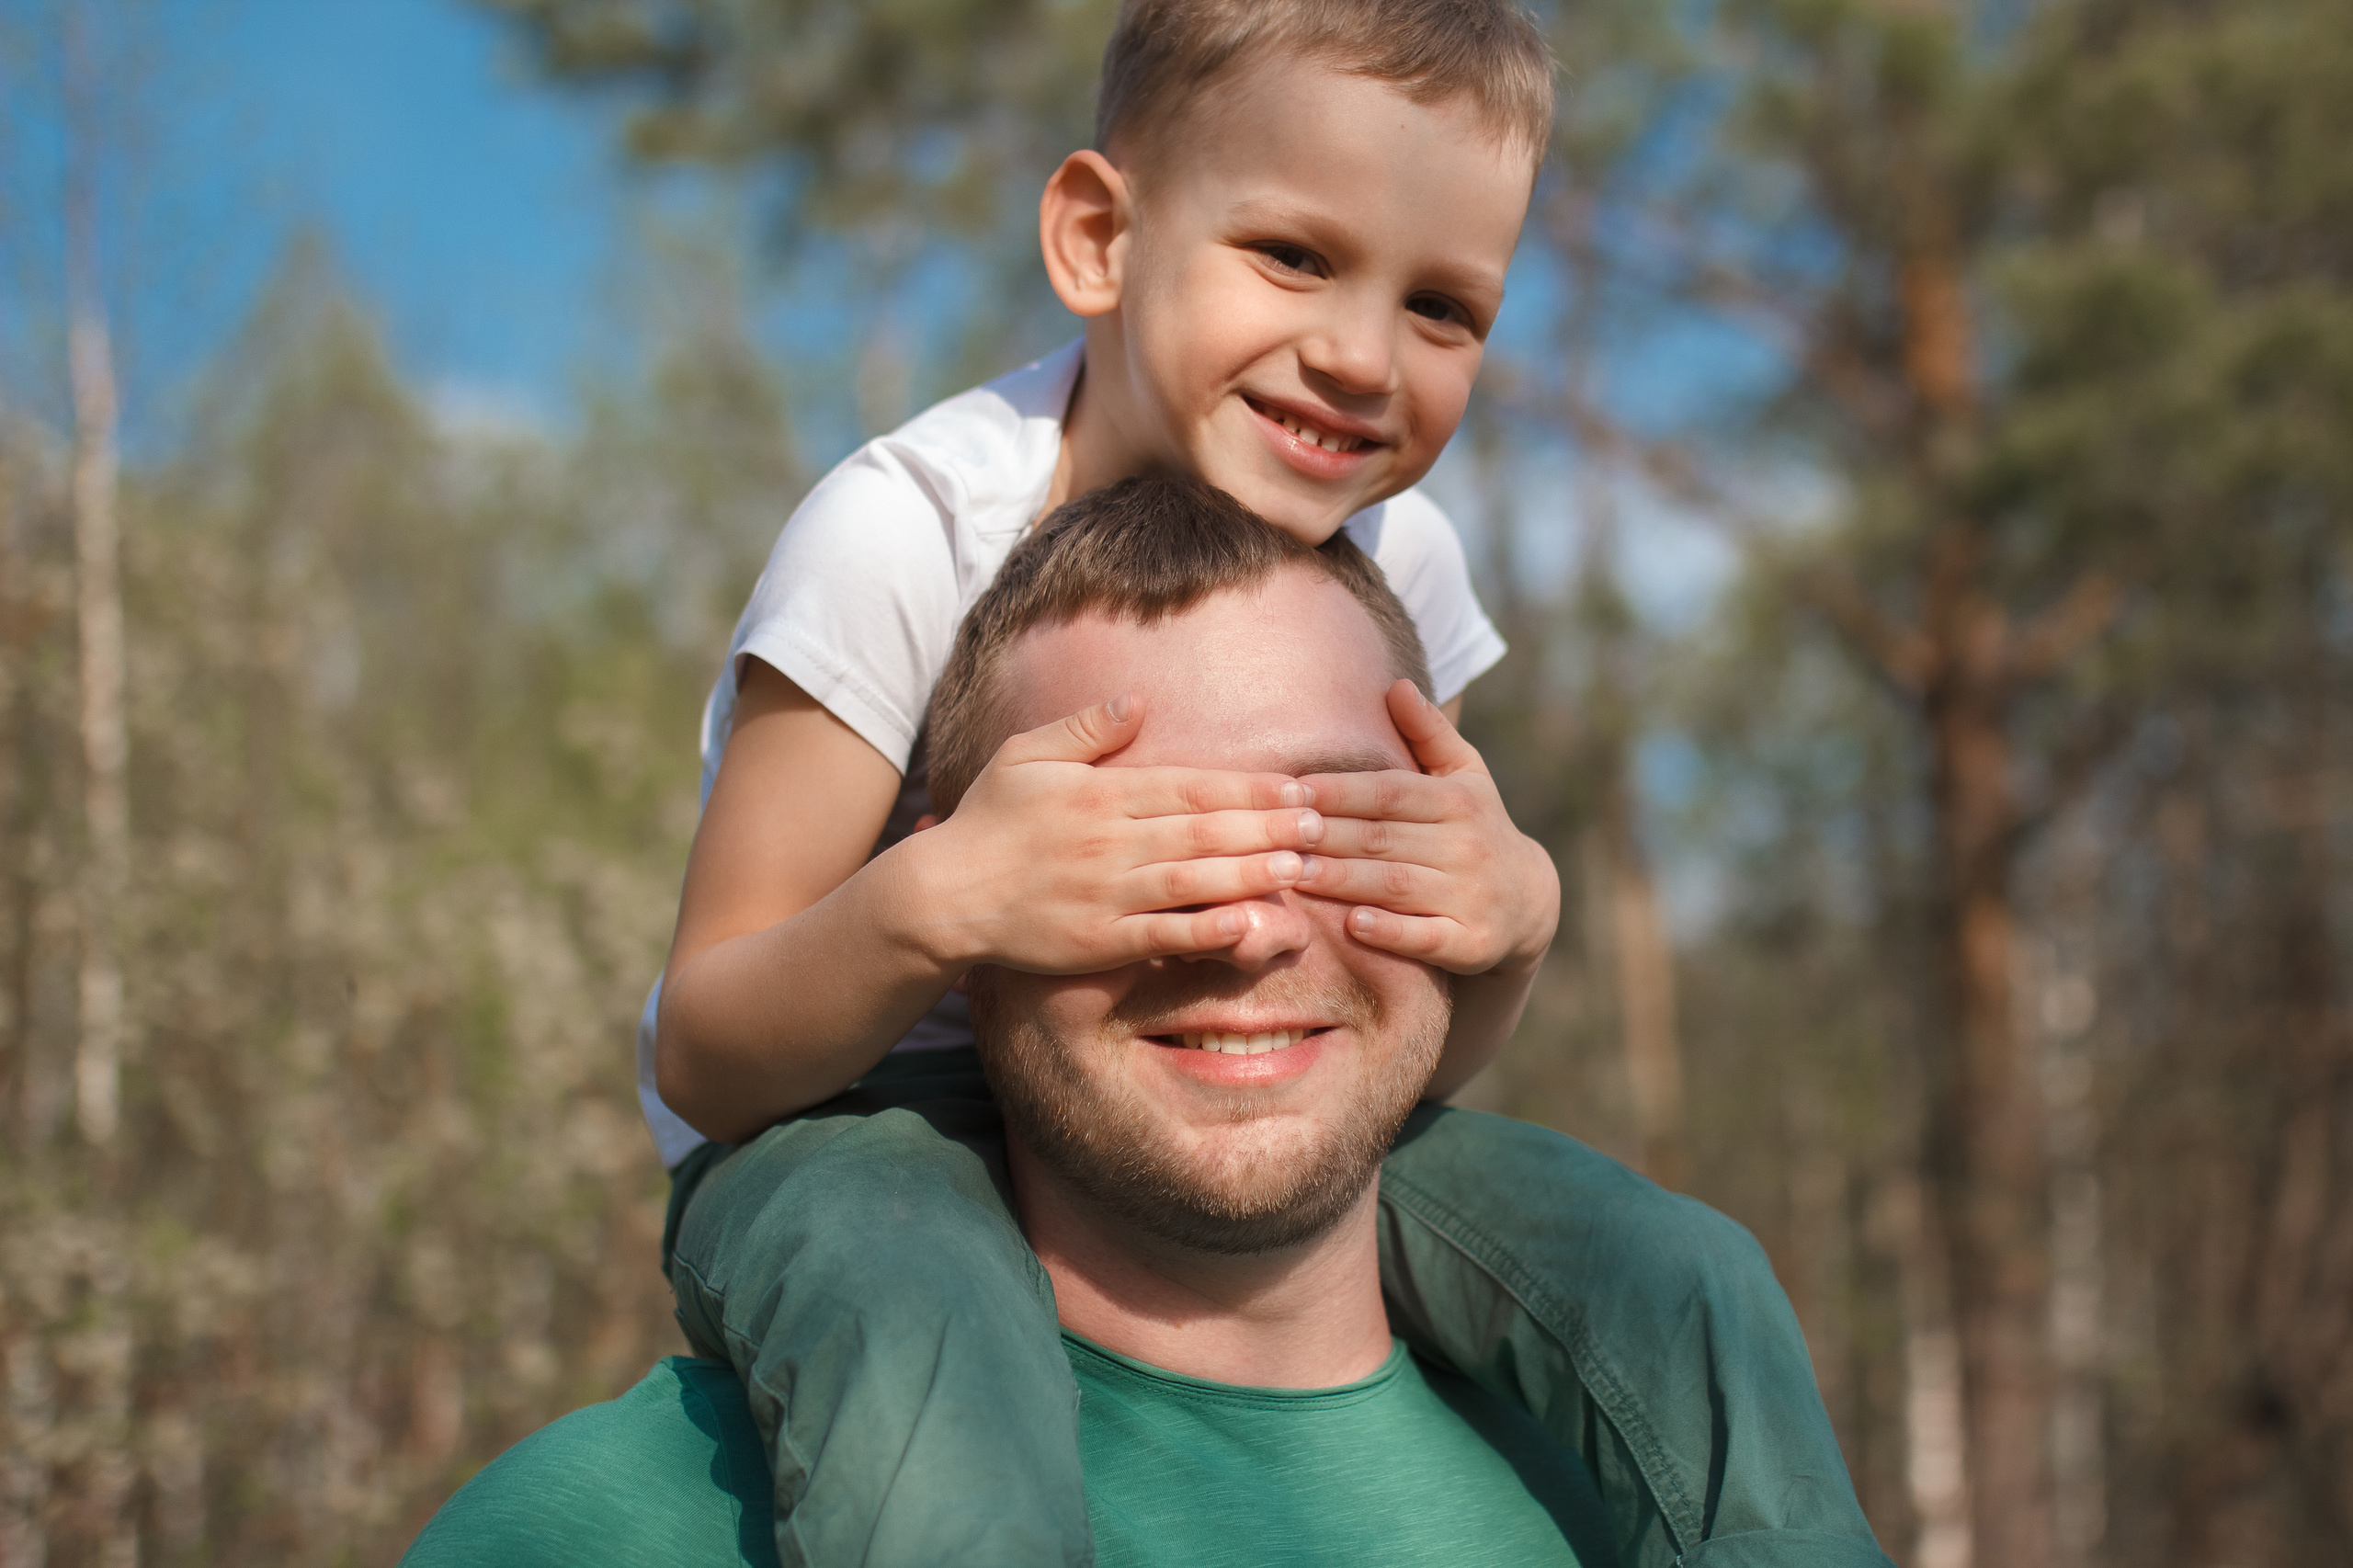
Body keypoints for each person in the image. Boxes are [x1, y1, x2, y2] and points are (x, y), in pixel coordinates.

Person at [404, 480, 1893, 1568]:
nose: (1245, 927)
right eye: (1130, 852)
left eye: (1334, 829)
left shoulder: (1644, 1484)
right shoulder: (608, 1535)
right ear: (962, 933)